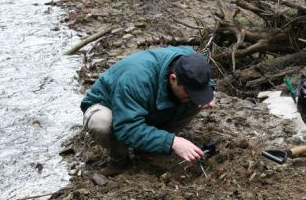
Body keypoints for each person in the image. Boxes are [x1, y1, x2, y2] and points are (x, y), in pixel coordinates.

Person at [80, 46, 216, 175]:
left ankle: (147, 148)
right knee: (101, 123)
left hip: (145, 104)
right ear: (173, 79)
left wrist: (207, 93)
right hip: (111, 107)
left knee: (194, 101)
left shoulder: (192, 61)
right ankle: (120, 161)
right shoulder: (135, 79)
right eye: (190, 91)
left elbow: (204, 79)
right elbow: (127, 127)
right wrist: (172, 142)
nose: (194, 96)